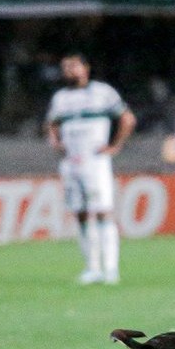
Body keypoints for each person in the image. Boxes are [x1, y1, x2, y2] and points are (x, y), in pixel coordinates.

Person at [46, 52, 136, 285]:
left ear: (86, 68)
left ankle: (111, 269)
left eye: (74, 66)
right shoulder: (60, 98)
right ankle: (91, 268)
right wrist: (55, 141)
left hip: (95, 162)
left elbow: (127, 118)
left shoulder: (102, 92)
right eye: (66, 67)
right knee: (81, 213)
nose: (69, 71)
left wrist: (115, 146)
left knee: (104, 211)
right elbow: (52, 124)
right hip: (71, 163)